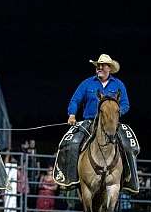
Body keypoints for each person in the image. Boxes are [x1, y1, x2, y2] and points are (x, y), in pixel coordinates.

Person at [55, 54, 139, 193]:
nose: (99, 67)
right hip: (89, 121)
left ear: (109, 69)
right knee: (72, 143)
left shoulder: (118, 85)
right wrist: (72, 114)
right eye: (98, 65)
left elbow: (125, 104)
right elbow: (75, 100)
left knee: (129, 145)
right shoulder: (87, 83)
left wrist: (115, 114)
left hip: (112, 123)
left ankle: (129, 181)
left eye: (103, 65)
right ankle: (72, 179)